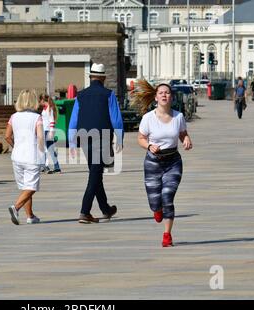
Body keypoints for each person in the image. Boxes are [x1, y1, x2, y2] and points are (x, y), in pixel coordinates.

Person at [134, 80, 193, 247]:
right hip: (153, 163)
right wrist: (149, 146)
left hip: (173, 162)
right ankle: (157, 209)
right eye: (161, 93)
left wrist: (186, 139)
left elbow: (182, 133)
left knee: (167, 196)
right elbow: (140, 138)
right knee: (155, 201)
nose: (164, 95)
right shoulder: (148, 118)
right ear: (156, 97)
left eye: (167, 92)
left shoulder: (178, 116)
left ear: (171, 97)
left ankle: (167, 235)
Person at [68, 63, 124, 224]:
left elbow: (73, 120)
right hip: (103, 136)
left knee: (95, 172)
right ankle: (84, 212)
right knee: (94, 174)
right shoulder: (108, 94)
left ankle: (105, 209)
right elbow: (116, 119)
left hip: (84, 138)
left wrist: (72, 143)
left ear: (91, 77)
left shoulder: (80, 95)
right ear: (103, 78)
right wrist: (120, 138)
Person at [5, 89, 45, 225]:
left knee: (25, 187)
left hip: (17, 156)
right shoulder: (37, 117)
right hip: (32, 156)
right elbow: (40, 136)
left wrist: (15, 146)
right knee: (31, 187)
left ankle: (30, 216)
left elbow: (7, 136)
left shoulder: (13, 117)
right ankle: (15, 207)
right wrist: (42, 152)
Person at [40, 94, 61, 174]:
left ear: (43, 100)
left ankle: (46, 166)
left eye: (40, 101)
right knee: (49, 149)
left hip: (48, 131)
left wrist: (51, 131)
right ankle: (56, 167)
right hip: (45, 130)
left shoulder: (49, 108)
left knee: (47, 149)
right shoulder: (45, 108)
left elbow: (52, 120)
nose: (39, 102)